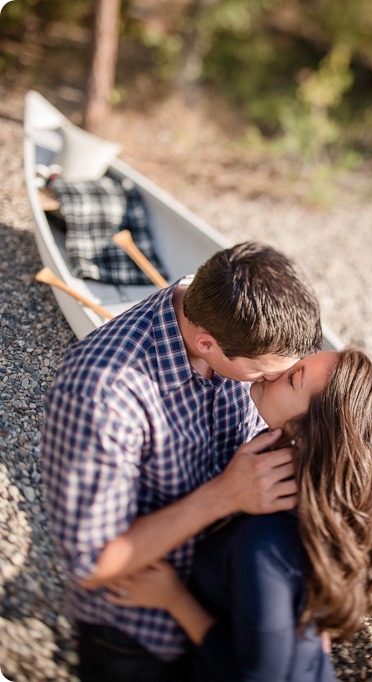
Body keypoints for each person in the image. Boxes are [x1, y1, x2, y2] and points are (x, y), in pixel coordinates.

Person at [41, 241, 322, 682]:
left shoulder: (237, 329)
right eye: (265, 376)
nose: (275, 382)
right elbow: (91, 563)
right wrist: (222, 496)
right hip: (140, 636)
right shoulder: (102, 393)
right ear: (207, 344)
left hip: (220, 603)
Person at [106, 348, 372, 682]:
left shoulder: (267, 542)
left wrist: (174, 599)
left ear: (305, 437)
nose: (276, 370)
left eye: (293, 377)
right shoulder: (325, 511)